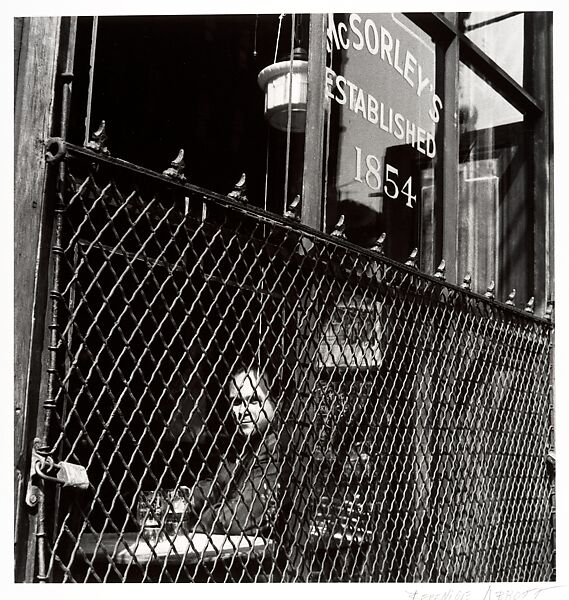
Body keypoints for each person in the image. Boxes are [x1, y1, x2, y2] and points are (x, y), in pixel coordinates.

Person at [185, 367, 279, 536]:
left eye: (254, 401)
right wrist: (187, 498)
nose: (243, 411)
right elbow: (215, 488)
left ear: (274, 401)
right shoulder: (237, 447)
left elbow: (236, 520)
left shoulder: (276, 449)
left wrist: (189, 520)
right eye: (236, 402)